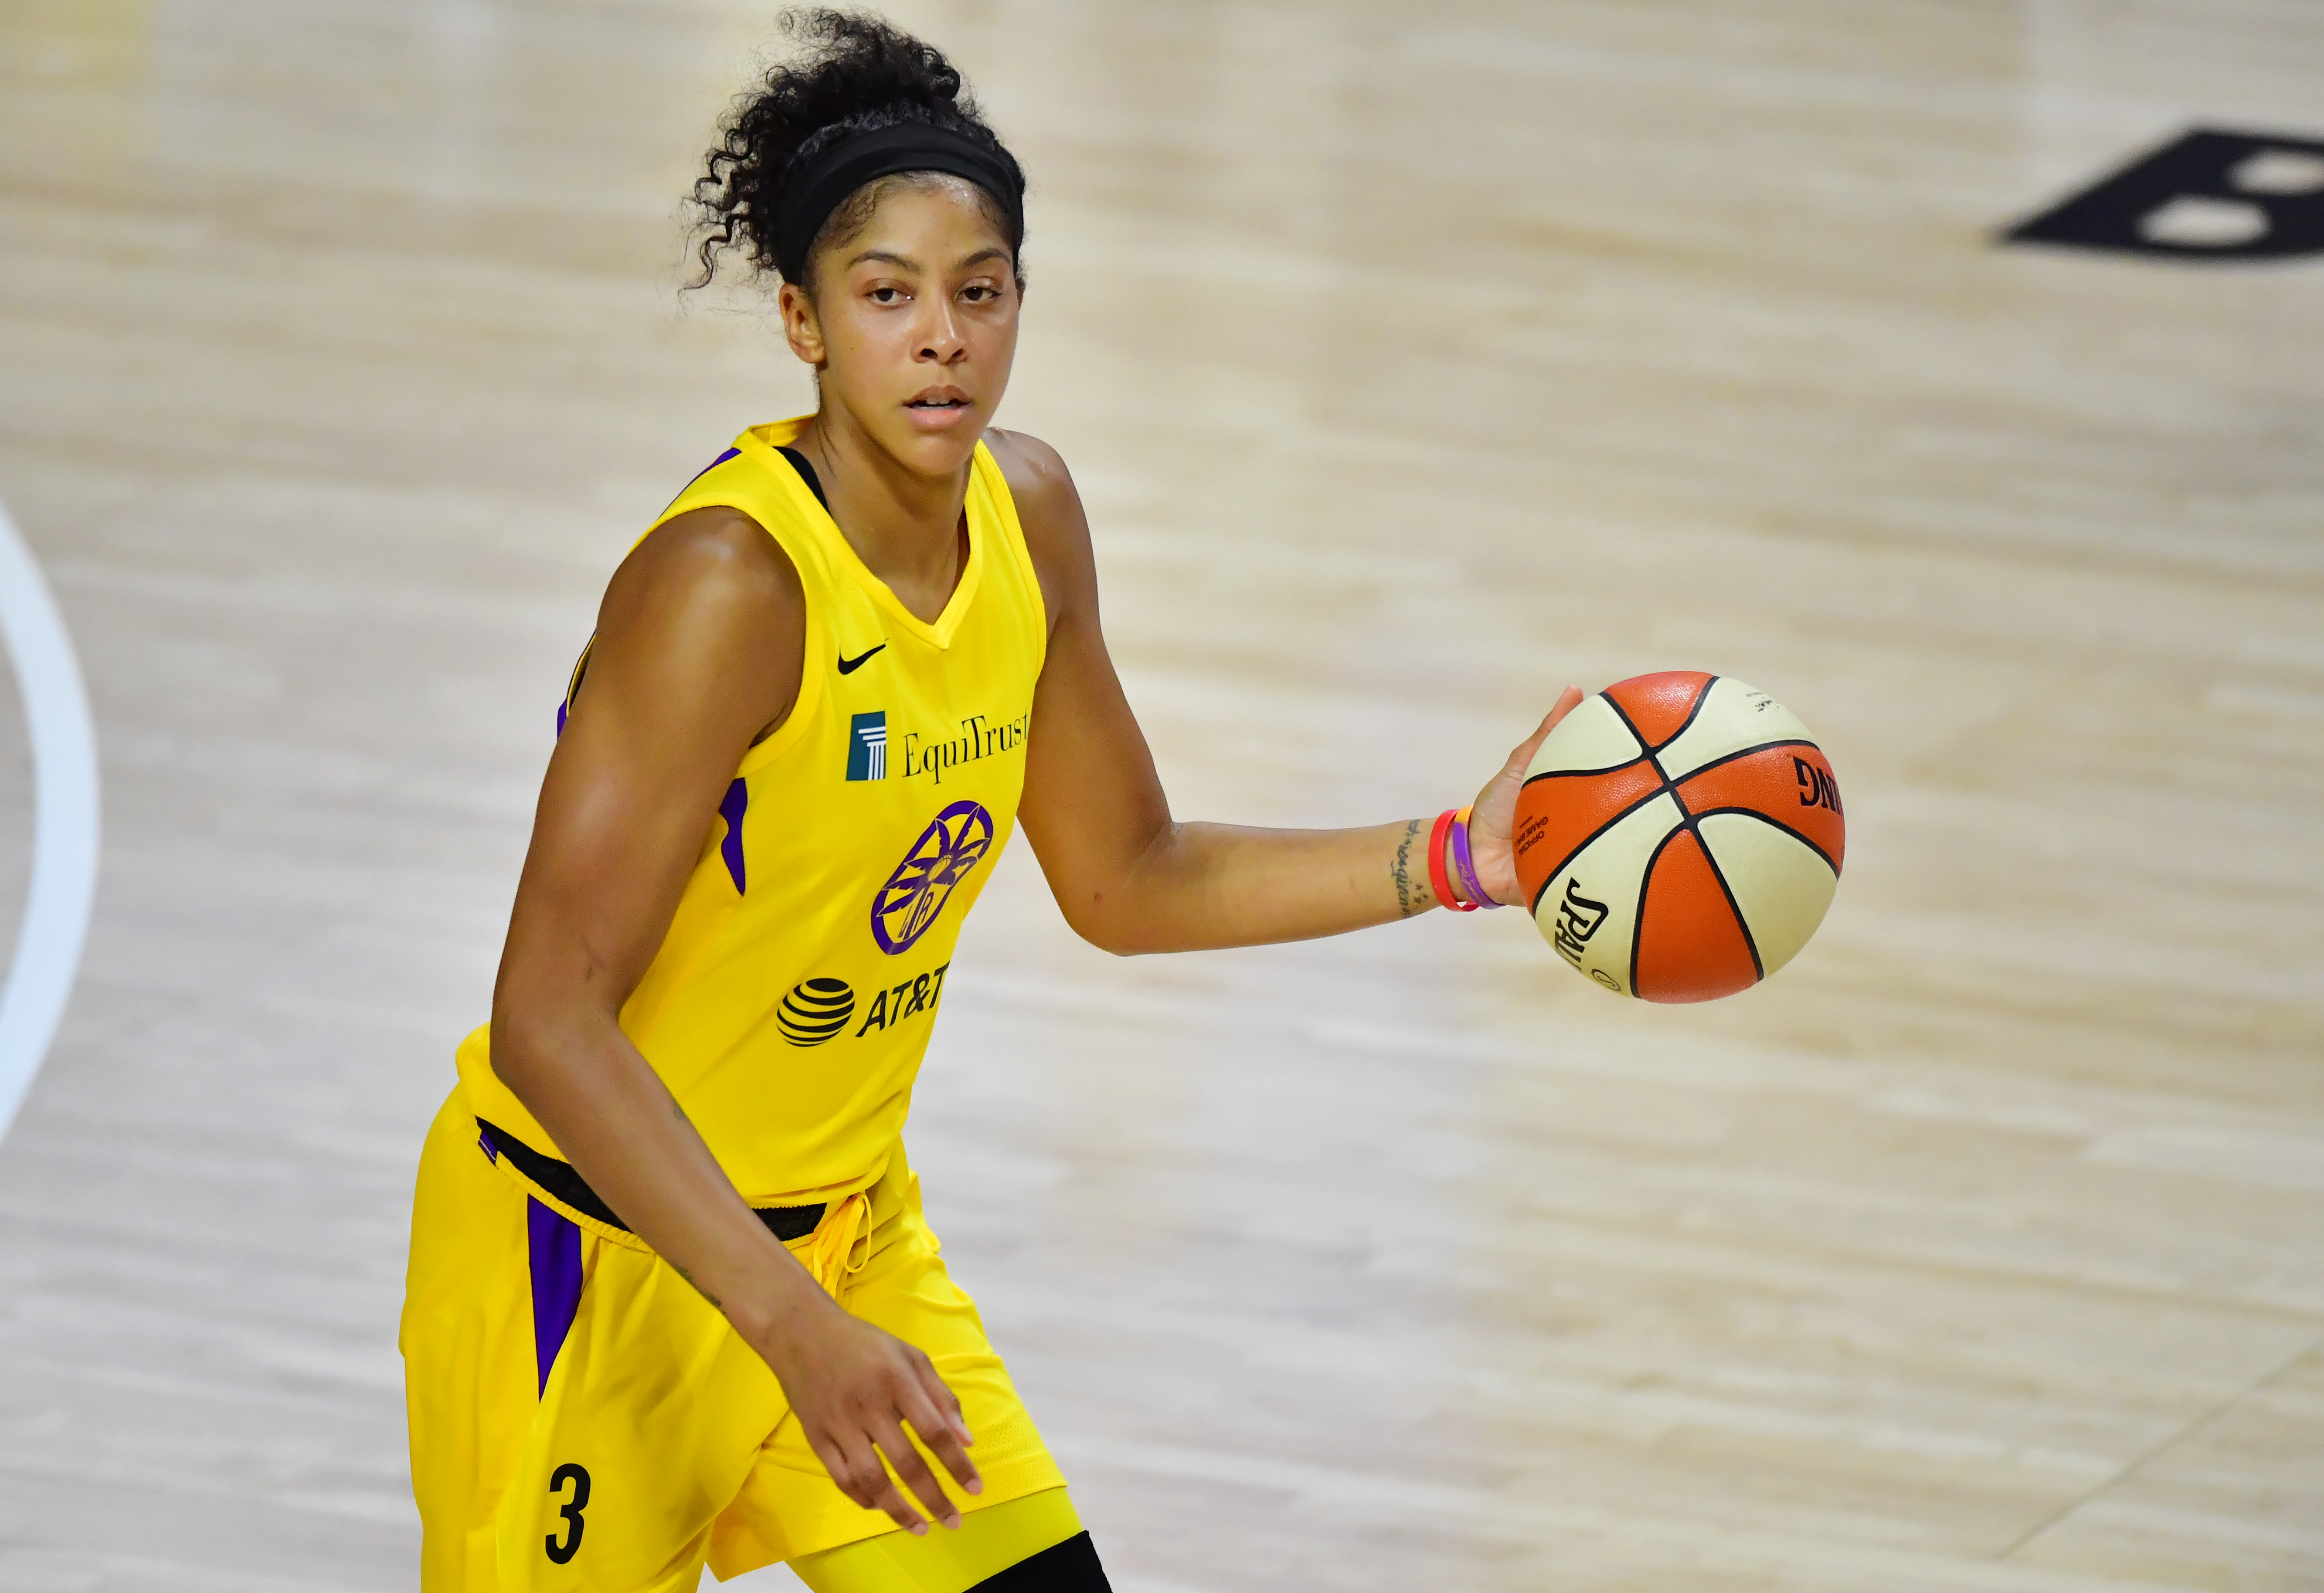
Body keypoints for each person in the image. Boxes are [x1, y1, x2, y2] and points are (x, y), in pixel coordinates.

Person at [398, 10, 1577, 1590]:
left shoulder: (1028, 513)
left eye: (978, 293)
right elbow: (549, 1017)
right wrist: (790, 1327)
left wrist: (1458, 857)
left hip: (847, 1250)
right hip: (592, 1272)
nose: (940, 337)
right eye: (885, 298)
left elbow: (1128, 877)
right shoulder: (725, 585)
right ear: (803, 325)